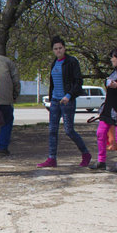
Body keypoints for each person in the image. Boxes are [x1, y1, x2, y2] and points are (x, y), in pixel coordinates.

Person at [37, 35, 92, 169]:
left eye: (60, 48)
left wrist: (69, 95)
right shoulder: (54, 63)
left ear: (64, 48)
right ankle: (51, 158)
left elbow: (78, 82)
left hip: (67, 100)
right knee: (52, 130)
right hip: (55, 100)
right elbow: (53, 83)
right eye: (55, 49)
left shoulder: (72, 62)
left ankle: (85, 154)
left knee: (69, 130)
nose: (58, 51)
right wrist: (51, 97)